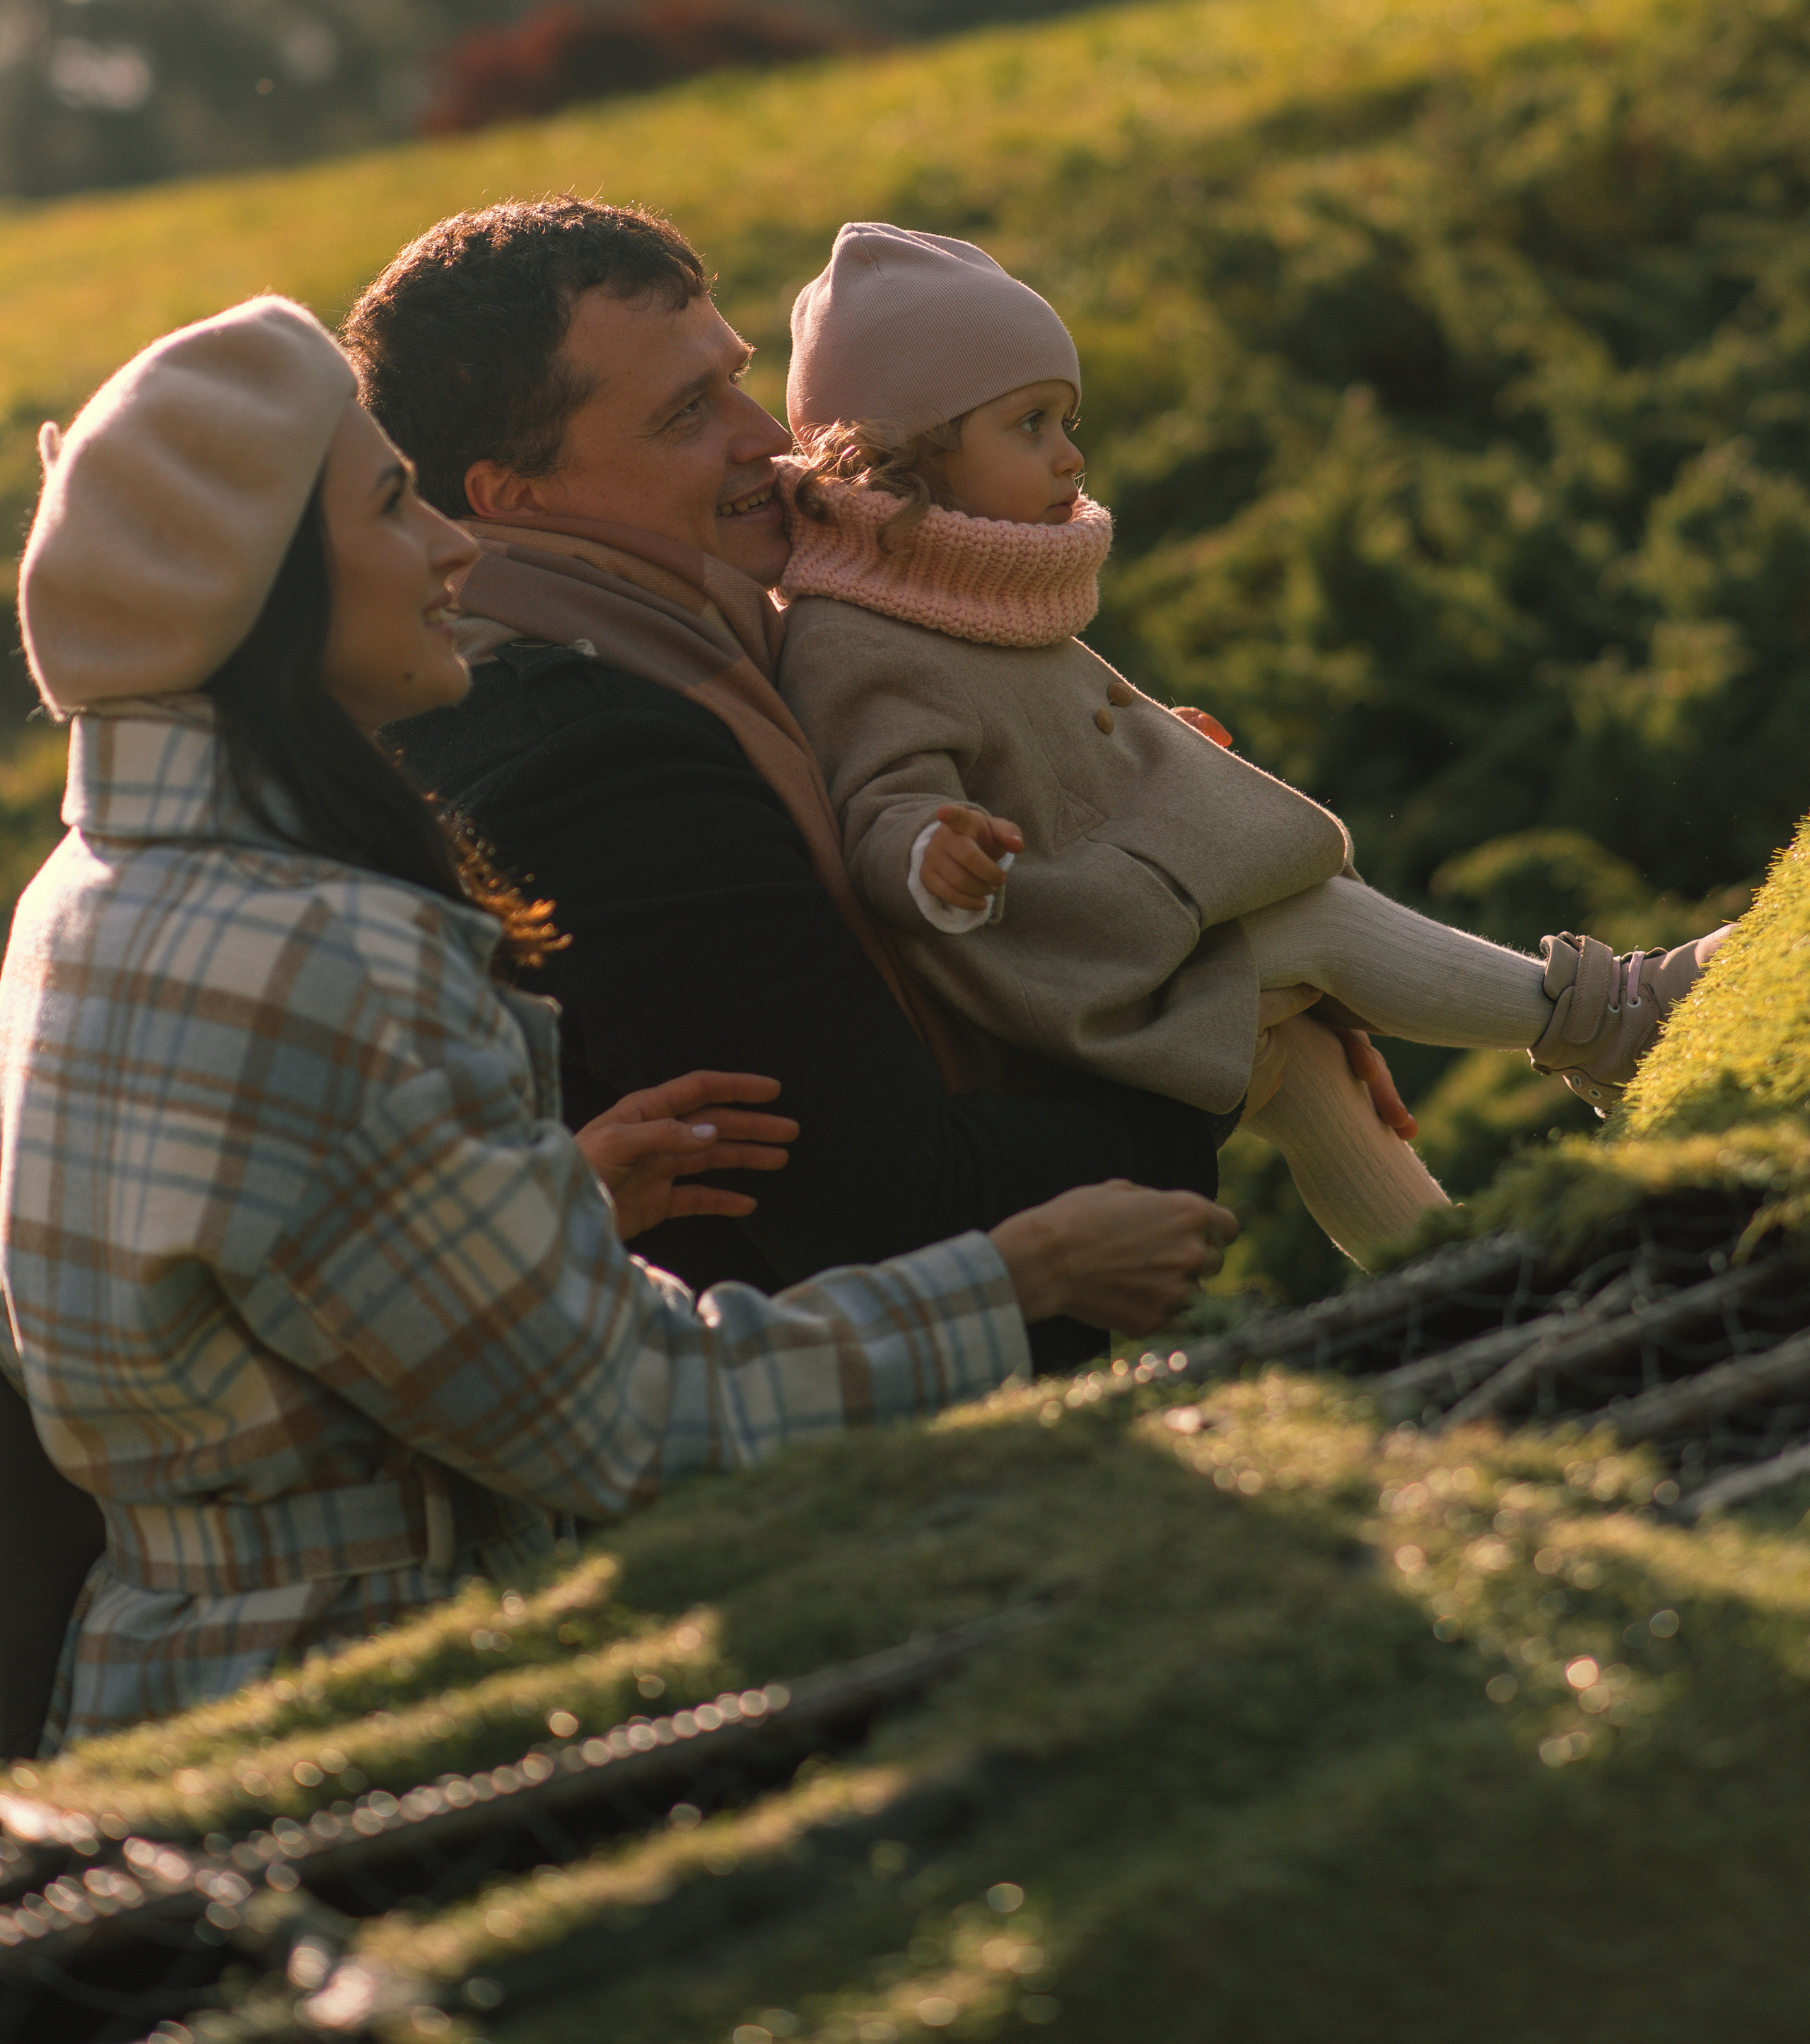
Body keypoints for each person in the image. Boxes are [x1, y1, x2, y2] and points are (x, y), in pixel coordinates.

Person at [0, 296, 1232, 1746]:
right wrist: (1016, 1274)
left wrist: (535, 1204)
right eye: (395, 509)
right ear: (259, 588)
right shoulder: (329, 951)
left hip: (159, 1692)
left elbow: (240, 1288)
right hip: (382, 1719)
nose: (456, 550)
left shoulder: (86, 893)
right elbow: (625, 1421)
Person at [346, 199, 1386, 1365]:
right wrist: (1215, 1050)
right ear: (511, 496)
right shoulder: (594, 768)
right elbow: (897, 1207)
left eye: (739, 378)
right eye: (689, 413)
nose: (767, 436)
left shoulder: (669, 650)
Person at [774, 222, 1729, 1256]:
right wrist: (932, 852)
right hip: (1073, 972)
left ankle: (1447, 1274)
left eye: (1069, 418)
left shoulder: (966, 573)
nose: (1070, 453)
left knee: (1315, 1076)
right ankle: (1615, 1016)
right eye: (1031, 424)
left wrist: (1139, 756)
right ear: (906, 447)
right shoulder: (854, 627)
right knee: (1312, 918)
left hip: (1118, 931)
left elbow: (1031, 742)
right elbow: (884, 797)